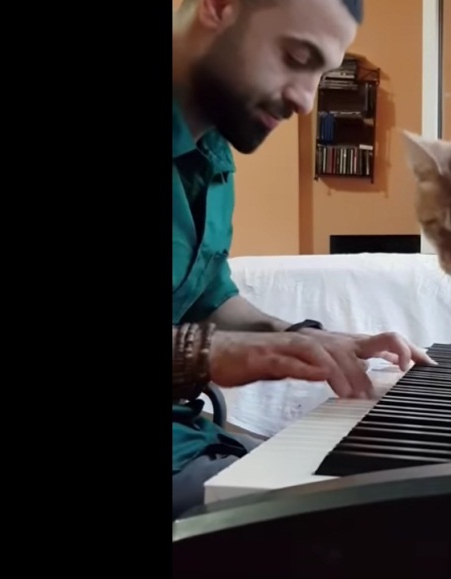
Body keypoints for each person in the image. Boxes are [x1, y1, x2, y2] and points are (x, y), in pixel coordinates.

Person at [170, 0, 435, 520]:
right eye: (295, 56)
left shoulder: (214, 153)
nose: (306, 101)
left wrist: (303, 336)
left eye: (320, 75)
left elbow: (209, 299)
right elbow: (202, 339)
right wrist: (207, 354)